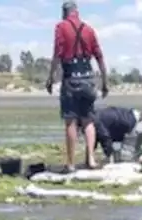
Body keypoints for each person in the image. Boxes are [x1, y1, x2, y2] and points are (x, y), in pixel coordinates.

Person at [45, 1, 108, 170]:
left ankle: (71, 163)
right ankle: (91, 160)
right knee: (88, 121)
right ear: (77, 12)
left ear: (64, 12)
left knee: (71, 122)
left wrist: (50, 78)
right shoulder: (89, 29)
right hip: (88, 78)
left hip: (71, 78)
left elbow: (57, 55)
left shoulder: (61, 27)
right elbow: (99, 57)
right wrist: (105, 82)